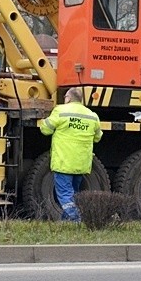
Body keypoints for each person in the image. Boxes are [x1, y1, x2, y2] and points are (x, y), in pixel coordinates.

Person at [38, 87, 103, 222]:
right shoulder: (92, 115)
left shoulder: (61, 111)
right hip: (81, 163)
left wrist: (44, 121)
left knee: (65, 194)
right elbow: (98, 137)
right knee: (73, 194)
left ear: (68, 98)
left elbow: (45, 129)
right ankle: (66, 222)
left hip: (64, 161)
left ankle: (75, 220)